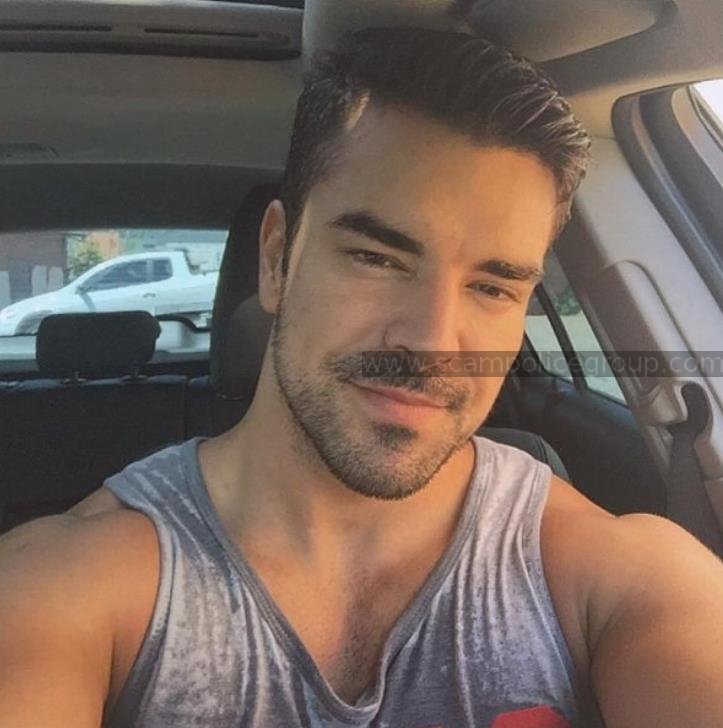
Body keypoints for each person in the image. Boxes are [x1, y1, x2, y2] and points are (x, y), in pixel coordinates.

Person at [1, 26, 723, 728]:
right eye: (377, 258)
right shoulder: (69, 581)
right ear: (277, 260)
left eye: (492, 287)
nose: (431, 342)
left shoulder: (614, 575)